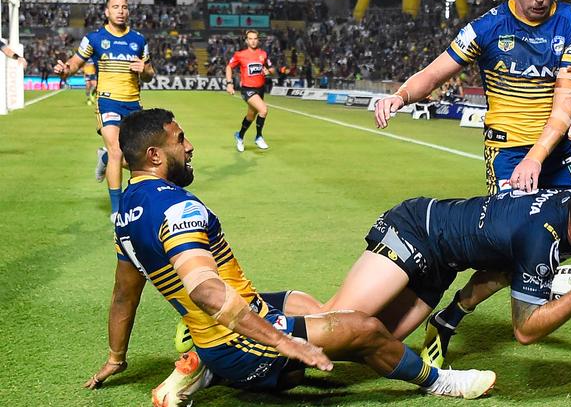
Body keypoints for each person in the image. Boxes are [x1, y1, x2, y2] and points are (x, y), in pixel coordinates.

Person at [83, 108, 496, 405]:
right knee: (363, 329)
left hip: (224, 327)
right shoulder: (178, 208)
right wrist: (284, 341)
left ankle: (207, 367)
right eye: (179, 139)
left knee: (310, 308)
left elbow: (124, 296)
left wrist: (116, 359)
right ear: (154, 155)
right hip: (236, 338)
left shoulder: (127, 212)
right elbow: (207, 291)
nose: (189, 146)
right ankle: (442, 383)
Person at [374, 0, 571, 370]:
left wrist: (539, 158)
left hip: (553, 151)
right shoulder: (487, 28)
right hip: (508, 154)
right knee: (514, 253)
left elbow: (564, 108)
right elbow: (433, 73)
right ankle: (451, 316)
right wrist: (399, 96)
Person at [322, 179, 571, 369]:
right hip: (414, 230)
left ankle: (444, 322)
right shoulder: (539, 239)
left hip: (442, 264)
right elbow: (526, 331)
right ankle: (274, 328)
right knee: (337, 322)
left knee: (375, 342)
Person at [53, 0, 155, 222]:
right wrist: (64, 70)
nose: (121, 11)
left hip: (133, 103)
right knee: (117, 149)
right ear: (107, 12)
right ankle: (117, 210)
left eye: (124, 7)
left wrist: (144, 69)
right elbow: (75, 63)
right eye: (116, 7)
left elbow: (149, 75)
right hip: (108, 100)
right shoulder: (95, 38)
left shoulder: (139, 40)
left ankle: (105, 160)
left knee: (137, 158)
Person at [225, 30, 275, 152]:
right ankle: (259, 136)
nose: (253, 41)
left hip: (260, 89)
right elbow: (229, 67)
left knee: (251, 116)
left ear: (258, 40)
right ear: (247, 40)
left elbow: (272, 68)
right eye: (250, 38)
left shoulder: (263, 54)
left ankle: (240, 136)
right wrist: (229, 83)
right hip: (247, 89)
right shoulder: (240, 55)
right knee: (263, 110)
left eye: (255, 38)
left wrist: (269, 72)